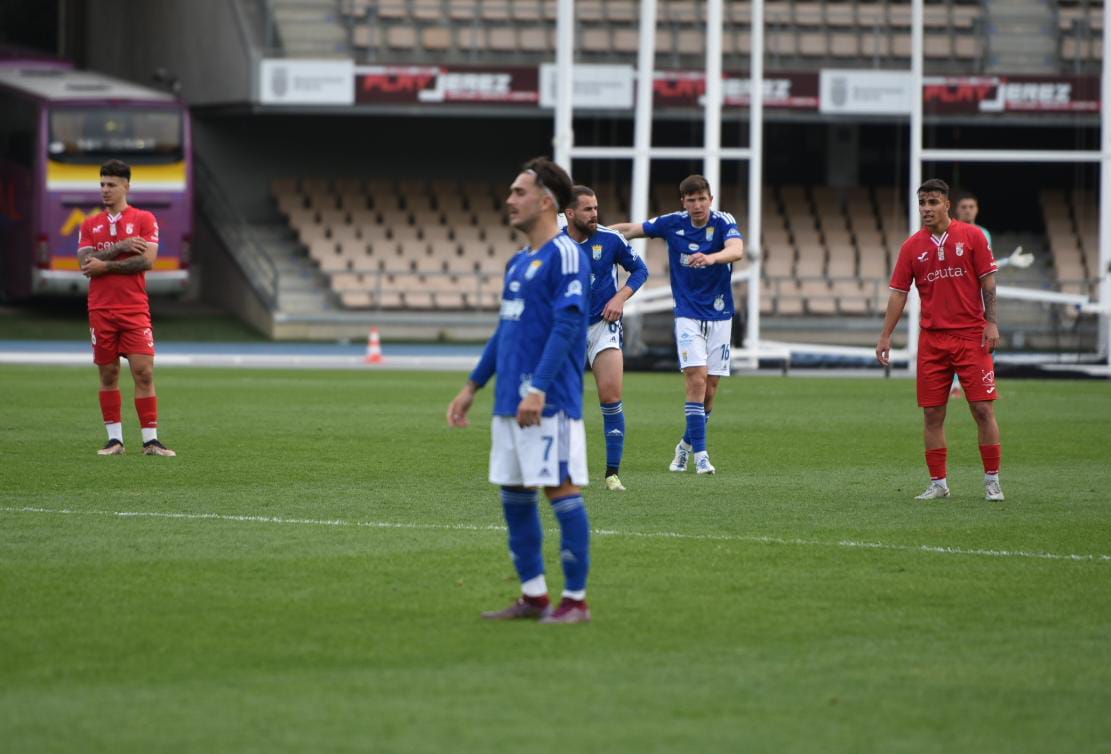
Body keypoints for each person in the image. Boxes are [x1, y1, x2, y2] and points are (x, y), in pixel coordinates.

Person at [447, 157, 592, 624]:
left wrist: (539, 389)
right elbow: (505, 331)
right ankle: (534, 596)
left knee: (558, 488)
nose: (509, 200)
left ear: (547, 201)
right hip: (510, 400)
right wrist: (473, 386)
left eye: (519, 192)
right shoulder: (518, 261)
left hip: (547, 402)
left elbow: (569, 324)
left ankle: (576, 601)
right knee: (513, 494)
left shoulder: (566, 254)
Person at [876, 178, 1003, 502]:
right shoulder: (912, 247)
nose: (926, 209)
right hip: (932, 340)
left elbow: (988, 283)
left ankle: (992, 480)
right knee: (932, 414)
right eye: (922, 203)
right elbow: (898, 295)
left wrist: (991, 323)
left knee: (982, 410)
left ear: (947, 204)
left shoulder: (972, 236)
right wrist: (886, 335)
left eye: (932, 202)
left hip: (971, 335)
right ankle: (939, 483)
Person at [611, 175, 744, 475]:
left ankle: (684, 446)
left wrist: (711, 259)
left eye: (702, 199)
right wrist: (596, 231)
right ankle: (701, 455)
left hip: (721, 316)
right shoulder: (672, 222)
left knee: (710, 391)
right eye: (691, 200)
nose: (697, 205)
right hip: (687, 314)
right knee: (696, 379)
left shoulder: (724, 222)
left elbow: (736, 250)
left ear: (711, 199)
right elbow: (631, 229)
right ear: (683, 202)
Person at [78, 159, 175, 457]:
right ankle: (115, 440)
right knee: (108, 373)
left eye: (111, 184)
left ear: (126, 186)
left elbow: (146, 261)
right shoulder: (89, 223)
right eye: (102, 184)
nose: (105, 190)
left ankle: (151, 441)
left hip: (134, 309)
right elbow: (85, 263)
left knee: (144, 372)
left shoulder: (145, 219)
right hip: (101, 309)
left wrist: (103, 264)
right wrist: (119, 249)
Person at [562, 185, 649, 492]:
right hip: (566, 329)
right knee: (560, 401)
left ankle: (612, 473)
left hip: (603, 325)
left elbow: (640, 270)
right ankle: (559, 468)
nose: (595, 214)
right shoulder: (553, 243)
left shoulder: (611, 240)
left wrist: (620, 298)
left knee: (611, 397)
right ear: (570, 213)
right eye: (588, 209)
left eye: (596, 207)